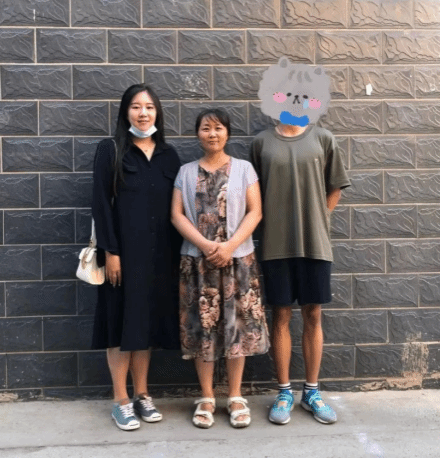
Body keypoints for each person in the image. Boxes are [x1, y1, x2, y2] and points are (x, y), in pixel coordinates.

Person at [171, 109, 270, 430]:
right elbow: (176, 215)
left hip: (238, 261)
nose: (212, 134)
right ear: (197, 134)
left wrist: (229, 246)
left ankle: (236, 396)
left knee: (236, 326)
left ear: (227, 132)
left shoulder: (244, 169)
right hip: (197, 263)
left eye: (218, 128)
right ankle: (206, 397)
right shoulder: (185, 172)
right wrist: (205, 244)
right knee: (203, 328)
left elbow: (255, 212)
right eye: (205, 128)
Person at [91, 84, 182, 431]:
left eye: (149, 107)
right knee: (119, 324)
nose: (143, 113)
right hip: (123, 257)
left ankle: (142, 394)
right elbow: (101, 204)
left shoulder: (169, 155)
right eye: (135, 107)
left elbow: (177, 209)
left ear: (158, 112)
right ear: (125, 112)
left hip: (160, 258)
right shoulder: (111, 150)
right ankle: (120, 400)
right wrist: (111, 252)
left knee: (145, 324)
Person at [251, 120, 350, 425]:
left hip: (314, 244)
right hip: (275, 244)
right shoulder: (261, 143)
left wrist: (320, 218)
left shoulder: (324, 138)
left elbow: (335, 187)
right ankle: (283, 393)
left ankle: (311, 392)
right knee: (280, 315)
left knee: (313, 314)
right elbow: (253, 193)